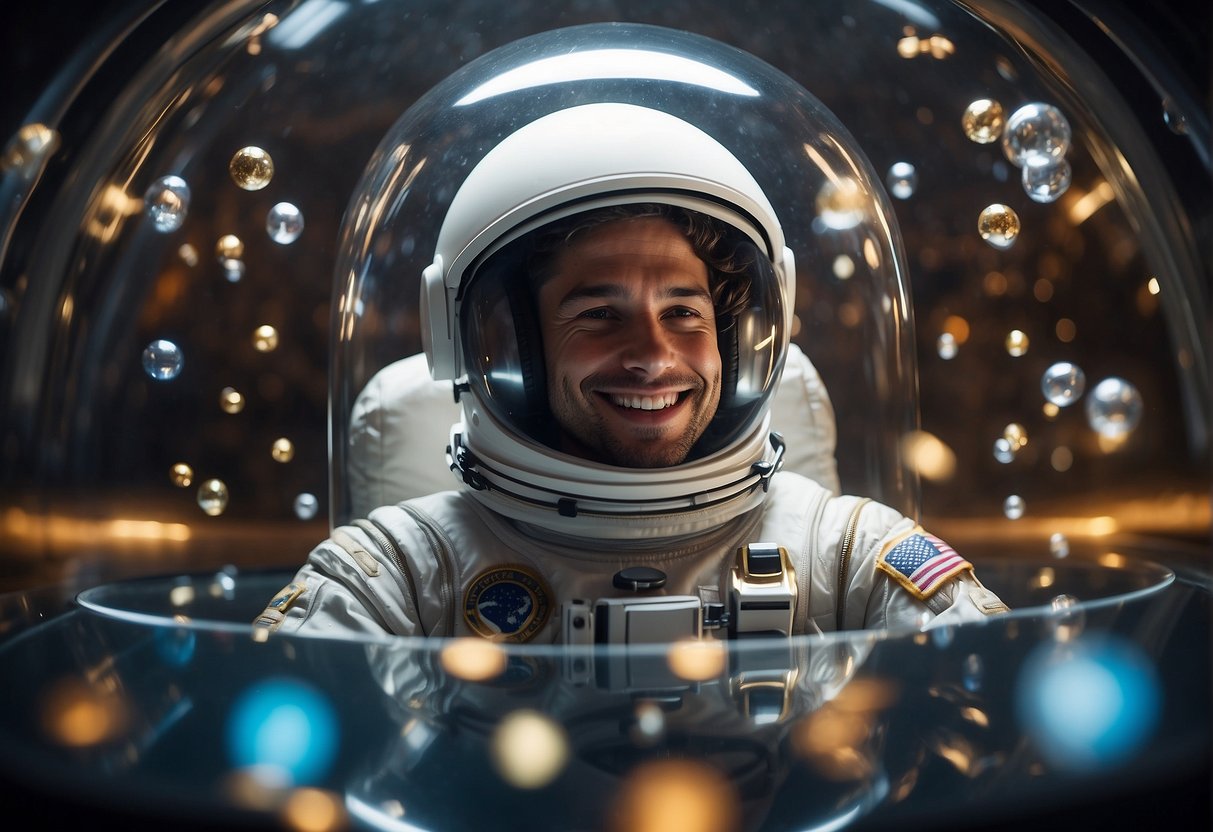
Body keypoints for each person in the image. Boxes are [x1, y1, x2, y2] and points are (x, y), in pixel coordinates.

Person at [255, 97, 1008, 643]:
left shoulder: (846, 556)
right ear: (496, 344)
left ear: (744, 337)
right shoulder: (397, 573)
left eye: (684, 311)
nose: (652, 355)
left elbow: (993, 718)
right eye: (597, 315)